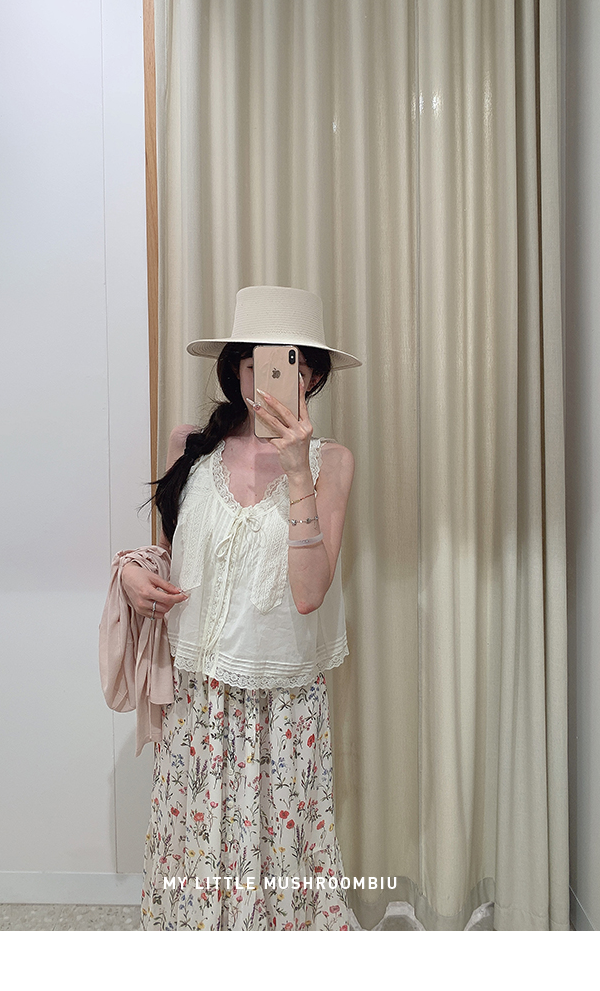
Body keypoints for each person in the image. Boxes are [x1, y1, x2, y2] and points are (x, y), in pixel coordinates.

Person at [120, 286, 360, 931]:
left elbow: (309, 593)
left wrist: (297, 470)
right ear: (235, 369)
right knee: (197, 852)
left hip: (283, 703)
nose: (270, 380)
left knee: (279, 858)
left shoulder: (331, 462)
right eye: (255, 363)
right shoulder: (191, 446)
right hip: (197, 698)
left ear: (312, 377)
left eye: (290, 365)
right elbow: (170, 553)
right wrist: (135, 575)